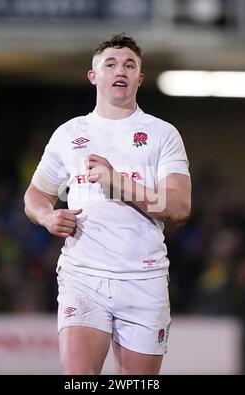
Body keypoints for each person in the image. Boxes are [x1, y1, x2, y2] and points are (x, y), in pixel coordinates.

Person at [24, 33, 191, 375]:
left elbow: (178, 207)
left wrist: (118, 183)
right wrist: (46, 217)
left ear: (139, 79)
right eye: (111, 64)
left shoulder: (162, 134)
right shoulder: (70, 133)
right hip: (83, 275)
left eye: (130, 65)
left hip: (144, 278)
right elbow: (35, 195)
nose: (121, 70)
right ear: (94, 76)